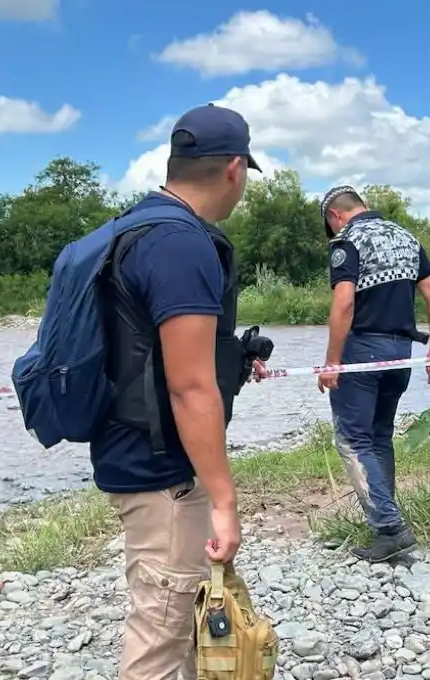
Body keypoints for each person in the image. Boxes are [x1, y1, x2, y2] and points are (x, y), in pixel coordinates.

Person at [90, 104, 266, 680]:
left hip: (129, 449)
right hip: (162, 471)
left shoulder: (136, 226)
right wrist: (224, 502)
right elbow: (189, 388)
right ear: (236, 169)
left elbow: (153, 350)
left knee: (179, 618)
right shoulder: (180, 245)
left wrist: (232, 363)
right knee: (162, 635)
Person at [316, 185, 430, 563]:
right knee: (379, 436)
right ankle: (387, 522)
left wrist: (332, 361)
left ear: (335, 216)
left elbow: (344, 301)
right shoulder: (406, 236)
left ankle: (389, 529)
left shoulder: (348, 241)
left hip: (361, 351)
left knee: (352, 440)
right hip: (400, 353)